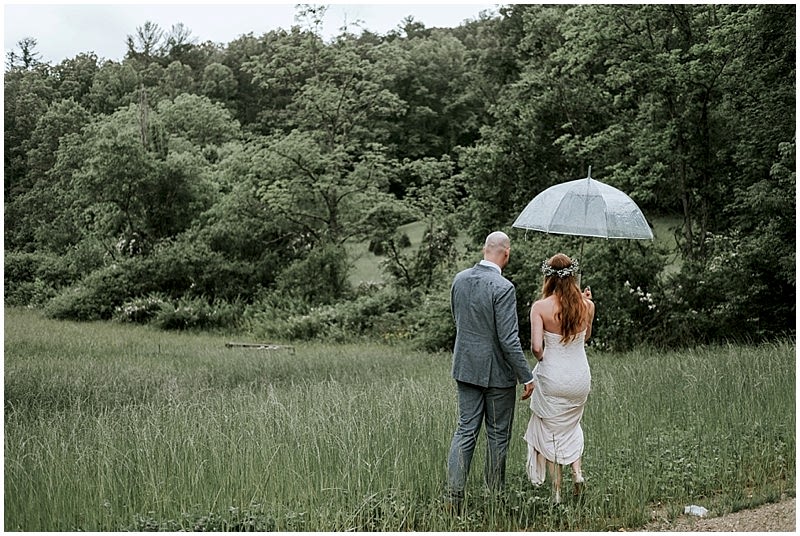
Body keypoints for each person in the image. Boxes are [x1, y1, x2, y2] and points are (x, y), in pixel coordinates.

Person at [446, 231, 534, 514]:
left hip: (466, 367)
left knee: (465, 431)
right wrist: (527, 375)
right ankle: (494, 500)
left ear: (485, 249)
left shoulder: (459, 280)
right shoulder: (504, 287)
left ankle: (453, 499)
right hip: (497, 374)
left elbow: (459, 322)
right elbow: (508, 339)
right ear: (506, 253)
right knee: (497, 436)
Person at [524, 253, 595, 504]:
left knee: (551, 430)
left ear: (548, 277)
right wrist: (584, 303)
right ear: (573, 275)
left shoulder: (540, 307)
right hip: (579, 378)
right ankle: (577, 474)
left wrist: (545, 357)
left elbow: (535, 348)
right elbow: (585, 339)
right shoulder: (588, 306)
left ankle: (556, 492)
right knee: (571, 426)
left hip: (554, 377)